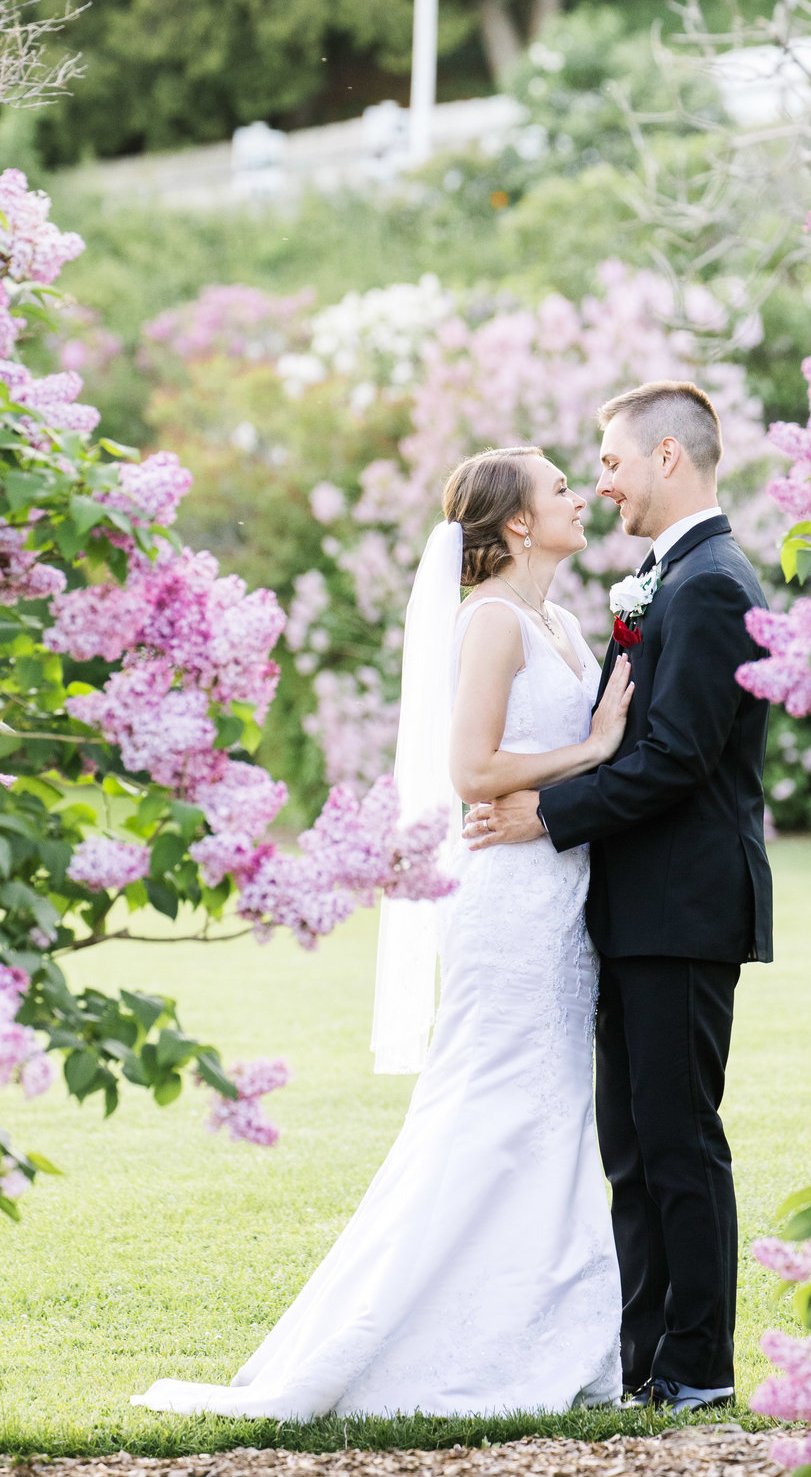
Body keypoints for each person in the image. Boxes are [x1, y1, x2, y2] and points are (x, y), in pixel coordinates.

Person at [132, 446, 633, 1418]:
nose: (580, 495)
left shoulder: (565, 622)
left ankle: (546, 1340)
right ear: (518, 523)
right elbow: (474, 772)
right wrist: (598, 747)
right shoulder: (488, 622)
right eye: (561, 487)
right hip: (507, 900)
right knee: (489, 1113)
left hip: (562, 900)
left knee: (556, 1113)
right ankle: (393, 1343)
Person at [464, 381, 772, 1413]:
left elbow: (680, 758)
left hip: (683, 907)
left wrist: (545, 816)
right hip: (631, 907)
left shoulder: (714, 584)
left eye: (609, 460)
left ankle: (698, 1363)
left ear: (667, 459)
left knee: (679, 1140)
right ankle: (643, 1355)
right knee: (633, 1146)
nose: (602, 480)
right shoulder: (662, 578)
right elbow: (633, 741)